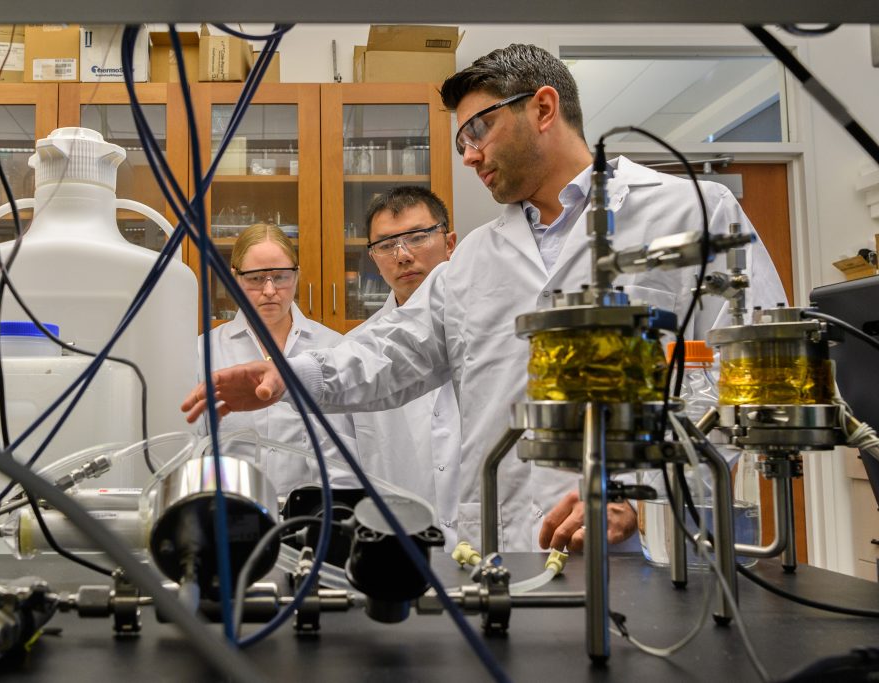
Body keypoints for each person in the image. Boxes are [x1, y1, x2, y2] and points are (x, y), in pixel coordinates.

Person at [182, 45, 787, 553]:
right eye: (461, 138)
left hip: (640, 541)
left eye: (478, 130)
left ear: (543, 108)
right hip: (498, 541)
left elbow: (753, 379)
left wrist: (641, 489)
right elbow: (393, 352)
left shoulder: (691, 212)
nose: (467, 154)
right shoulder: (472, 258)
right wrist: (286, 371)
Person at [194, 223, 358, 497]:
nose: (270, 290)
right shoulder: (206, 351)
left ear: (297, 276)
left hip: (315, 518)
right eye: (256, 279)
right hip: (234, 515)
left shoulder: (334, 347)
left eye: (280, 277)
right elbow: (195, 447)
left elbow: (348, 454)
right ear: (236, 279)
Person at [347, 186, 461, 550]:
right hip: (398, 552)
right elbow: (341, 473)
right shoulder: (353, 351)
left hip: (496, 547)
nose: (403, 255)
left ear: (450, 242)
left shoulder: (496, 331)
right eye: (385, 245)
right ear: (373, 258)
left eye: (417, 237)